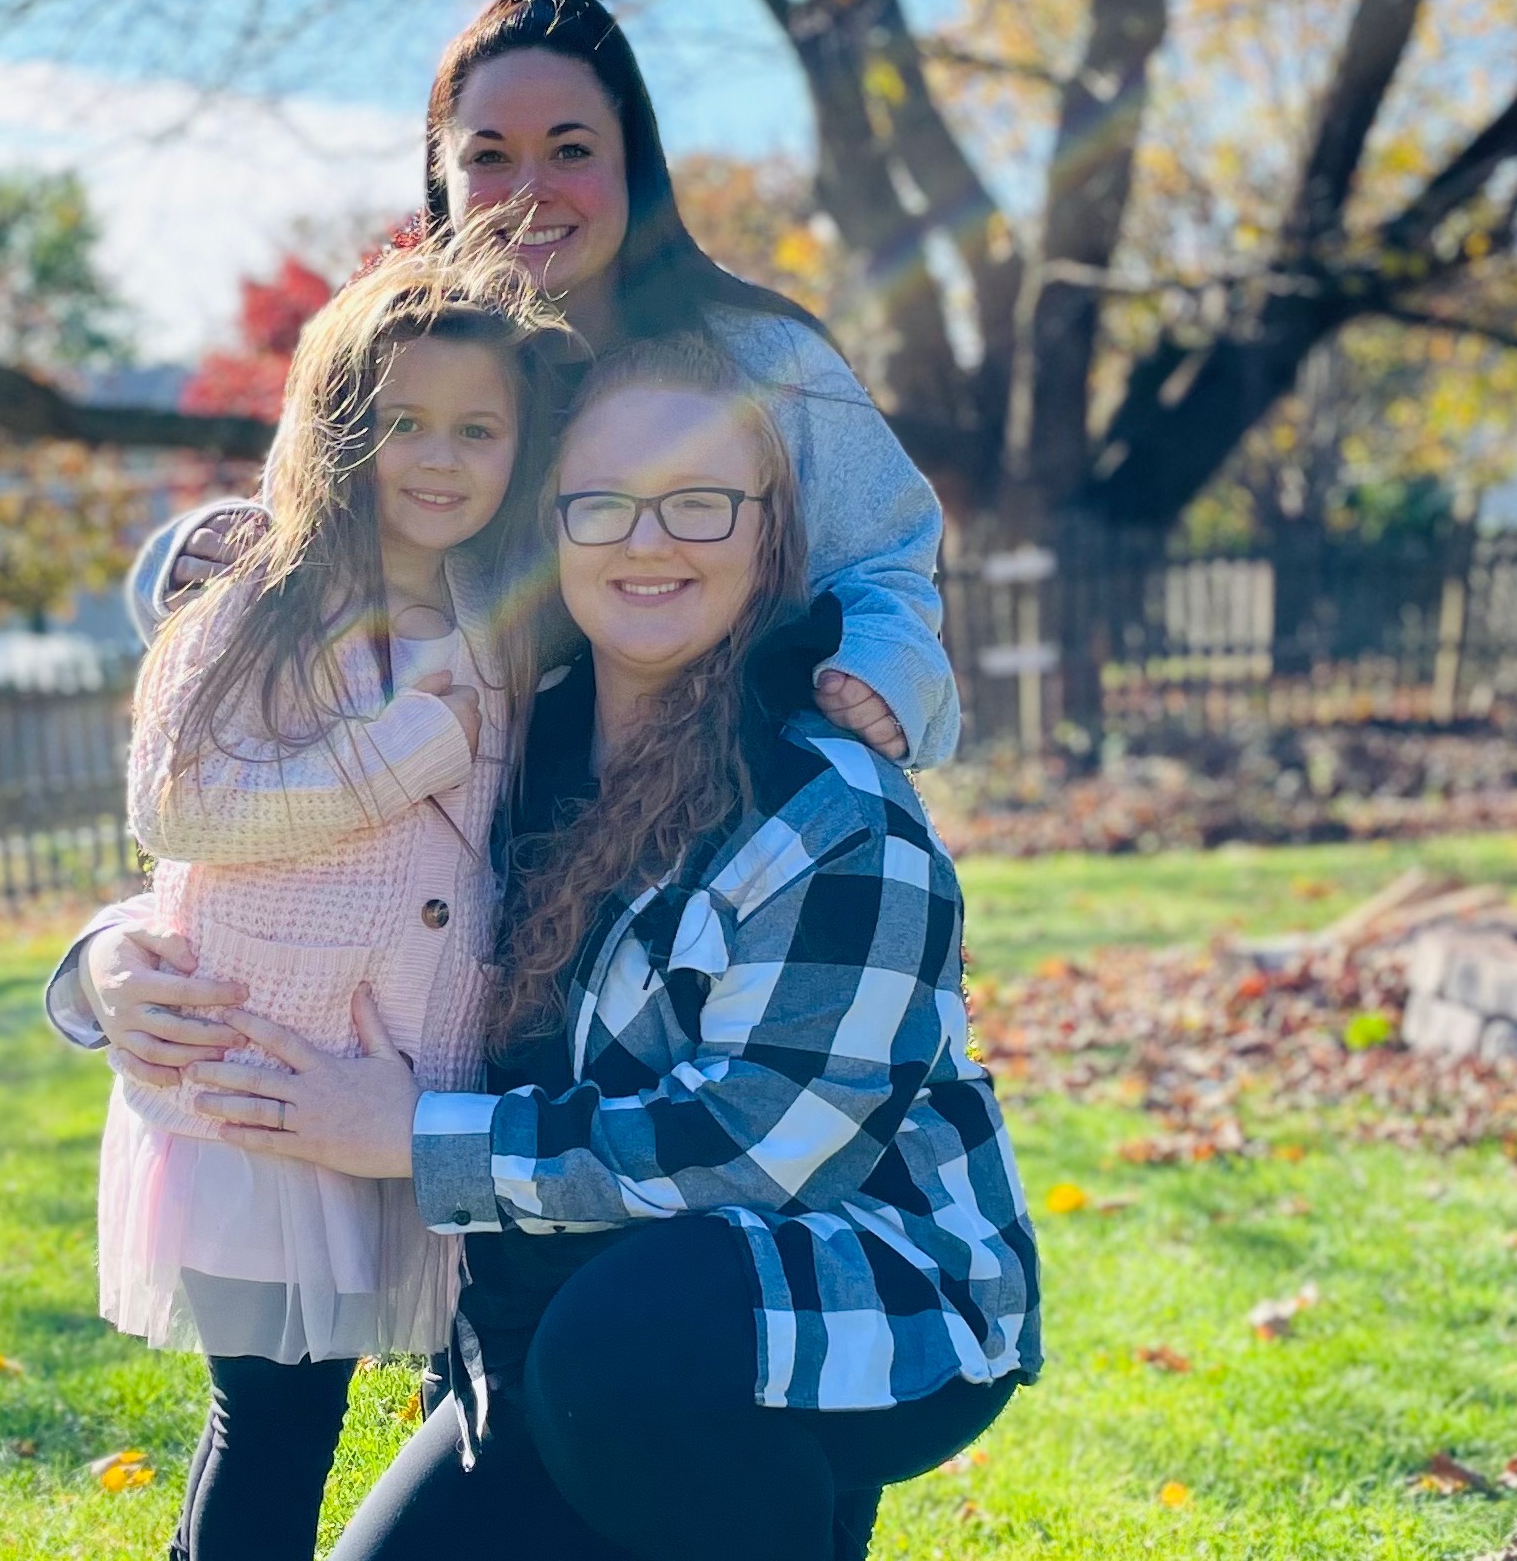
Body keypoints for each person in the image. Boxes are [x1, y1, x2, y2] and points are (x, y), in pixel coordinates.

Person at [185, 335, 1041, 1560]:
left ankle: (788, 1509)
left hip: (867, 1283)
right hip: (565, 1319)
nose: (649, 541)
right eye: (604, 503)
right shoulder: (501, 743)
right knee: (581, 1371)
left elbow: (755, 1147)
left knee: (632, 1345)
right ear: (551, 530)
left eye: (699, 501)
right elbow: (302, 861)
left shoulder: (834, 810)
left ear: (770, 534)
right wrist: (111, 970)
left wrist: (414, 1136)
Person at [59, 0, 961, 1134]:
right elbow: (264, 717)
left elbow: (889, 555)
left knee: (643, 1175)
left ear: (635, 164)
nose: (530, 191)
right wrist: (111, 955)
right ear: (440, 177)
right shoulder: (407, 368)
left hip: (716, 839)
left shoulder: (762, 360)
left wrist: (885, 669)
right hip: (488, 873)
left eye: (571, 149)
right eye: (489, 156)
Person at [101, 238, 571, 1561]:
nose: (437, 458)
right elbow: (176, 805)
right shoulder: (260, 606)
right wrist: (398, 752)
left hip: (405, 1081)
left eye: (476, 429)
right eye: (401, 423)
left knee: (403, 1396)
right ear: (337, 428)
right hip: (255, 1078)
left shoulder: (500, 613)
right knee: (273, 1416)